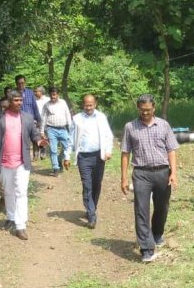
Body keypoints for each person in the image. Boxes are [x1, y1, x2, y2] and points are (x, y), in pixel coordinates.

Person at [120, 94, 179, 263]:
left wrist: (173, 173)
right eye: (141, 110)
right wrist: (123, 178)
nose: (145, 113)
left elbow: (171, 150)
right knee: (141, 210)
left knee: (162, 207)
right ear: (138, 109)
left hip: (162, 172)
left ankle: (157, 233)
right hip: (141, 173)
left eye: (148, 110)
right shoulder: (130, 127)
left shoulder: (164, 125)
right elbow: (125, 153)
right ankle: (146, 249)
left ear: (154, 108)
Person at [0, 90, 46, 240]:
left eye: (20, 100)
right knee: (8, 191)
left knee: (21, 192)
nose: (19, 103)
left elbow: (34, 134)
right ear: (9, 102)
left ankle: (21, 226)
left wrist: (39, 141)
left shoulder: (28, 118)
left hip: (22, 162)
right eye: (16, 100)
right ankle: (10, 217)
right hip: (3, 161)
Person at [68, 94, 114, 229]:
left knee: (96, 184)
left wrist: (108, 150)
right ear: (83, 105)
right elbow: (70, 138)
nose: (89, 107)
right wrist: (66, 156)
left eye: (91, 105)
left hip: (99, 156)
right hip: (83, 157)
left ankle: (91, 206)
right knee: (87, 185)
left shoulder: (101, 117)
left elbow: (108, 135)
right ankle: (91, 215)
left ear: (95, 104)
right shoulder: (76, 119)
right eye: (86, 105)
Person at [40, 86, 73, 176]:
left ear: (58, 94)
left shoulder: (63, 103)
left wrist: (71, 128)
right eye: (51, 95)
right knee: (53, 150)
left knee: (68, 147)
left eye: (54, 95)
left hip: (63, 129)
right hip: (51, 129)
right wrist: (42, 131)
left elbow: (68, 115)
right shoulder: (47, 105)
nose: (53, 97)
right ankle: (56, 168)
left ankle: (60, 159)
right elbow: (43, 118)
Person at [34, 86, 49, 159]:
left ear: (41, 92)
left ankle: (43, 153)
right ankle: (36, 153)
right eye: (35, 91)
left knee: (44, 138)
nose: (35, 93)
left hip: (45, 121)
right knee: (36, 137)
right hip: (36, 121)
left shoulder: (47, 100)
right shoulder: (33, 100)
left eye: (37, 91)